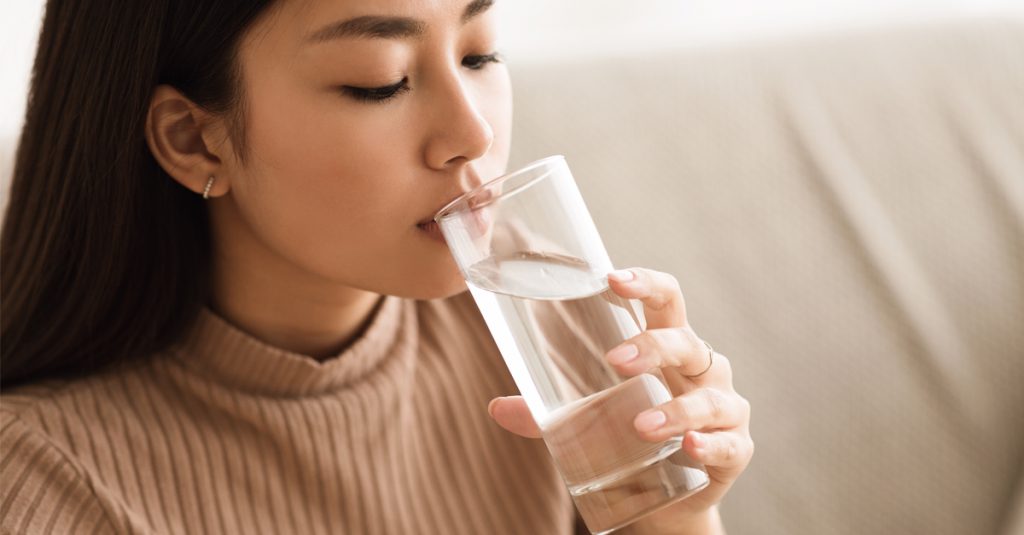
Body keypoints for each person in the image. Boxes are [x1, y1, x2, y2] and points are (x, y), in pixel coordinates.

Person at [0, 0, 754, 533]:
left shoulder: (546, 310)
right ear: (196, 140)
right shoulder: (46, 478)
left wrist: (677, 515)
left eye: (479, 52)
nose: (472, 131)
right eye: (379, 80)